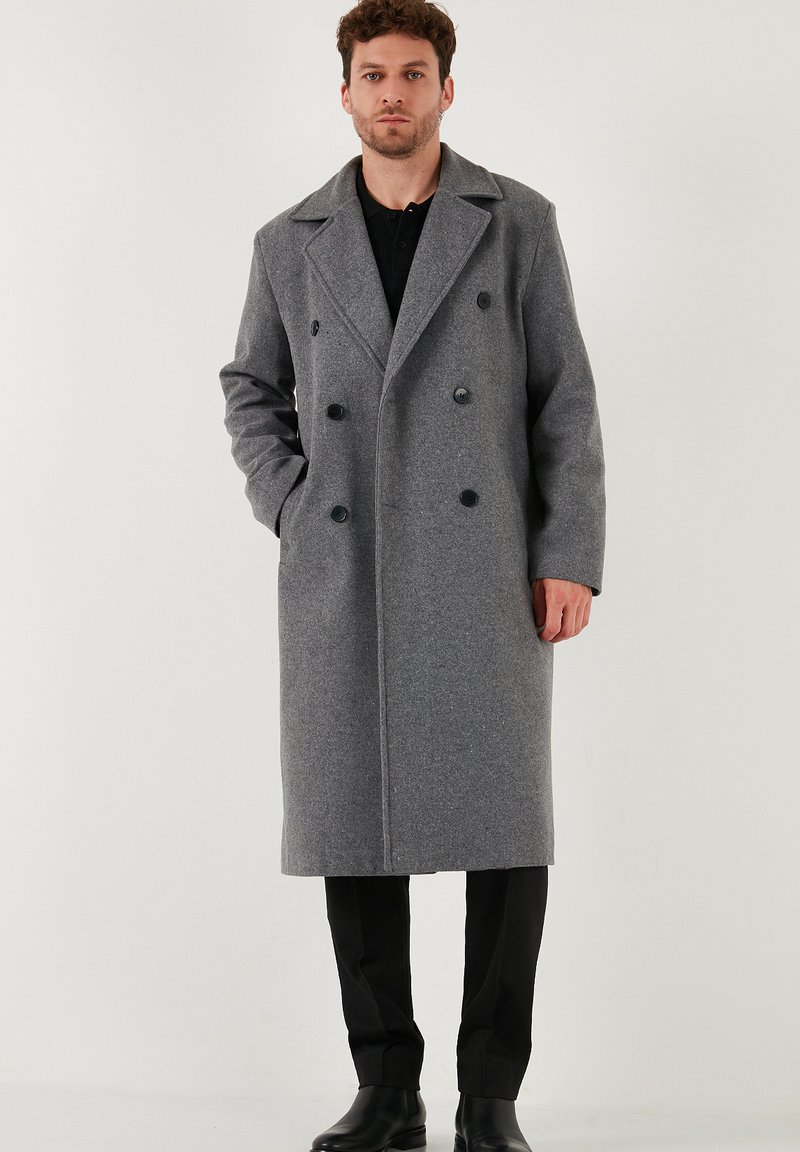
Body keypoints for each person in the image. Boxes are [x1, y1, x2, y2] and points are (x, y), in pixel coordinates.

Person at [218, 2, 606, 1149]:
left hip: (482, 570)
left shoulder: (513, 220)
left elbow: (563, 399)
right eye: (373, 73)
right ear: (343, 91)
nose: (392, 91)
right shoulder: (288, 240)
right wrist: (289, 501)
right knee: (352, 825)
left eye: (413, 73)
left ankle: (489, 1100)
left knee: (504, 829)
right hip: (343, 568)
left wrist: (567, 555)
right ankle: (386, 1091)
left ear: (445, 89)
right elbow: (250, 387)